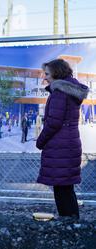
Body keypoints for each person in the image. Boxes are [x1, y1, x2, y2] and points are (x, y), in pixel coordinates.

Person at [37, 59, 88, 219]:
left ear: (57, 73)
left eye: (47, 74)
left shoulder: (59, 92)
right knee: (66, 188)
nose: (44, 77)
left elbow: (54, 122)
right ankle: (72, 224)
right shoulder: (70, 91)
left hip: (60, 146)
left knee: (61, 189)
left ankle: (68, 226)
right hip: (68, 143)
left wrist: (40, 141)